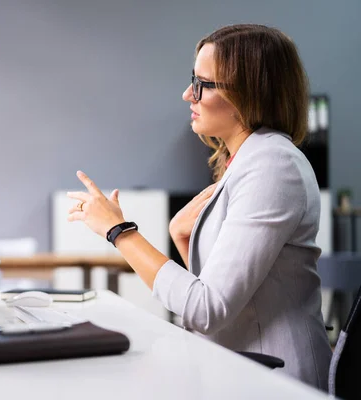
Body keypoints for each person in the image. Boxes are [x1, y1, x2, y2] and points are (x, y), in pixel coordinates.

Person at [67, 24, 331, 390]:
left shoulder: (273, 166)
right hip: (244, 371)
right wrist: (182, 238)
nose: (188, 93)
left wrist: (118, 231)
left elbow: (205, 310)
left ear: (248, 94)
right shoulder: (247, 160)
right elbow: (229, 292)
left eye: (204, 84)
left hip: (278, 382)